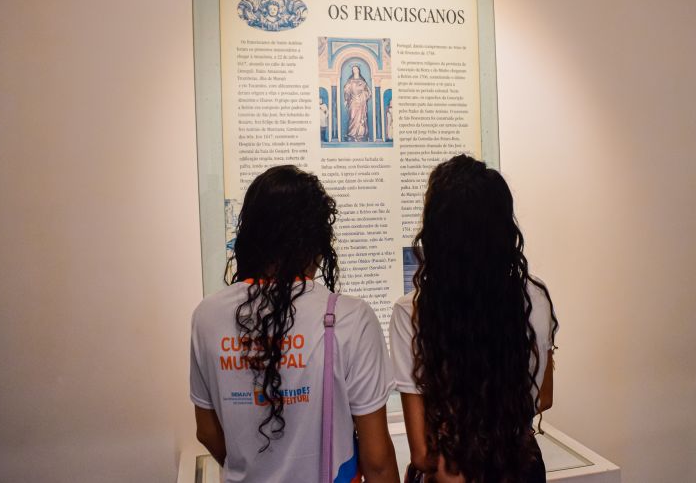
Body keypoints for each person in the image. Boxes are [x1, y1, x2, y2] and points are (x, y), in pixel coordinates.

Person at [190, 165, 399, 483]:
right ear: (317, 242)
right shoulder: (351, 318)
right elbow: (378, 461)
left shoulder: (207, 316)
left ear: (250, 236)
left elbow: (206, 431)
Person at [389, 155, 559, 483]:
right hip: (520, 466)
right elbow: (545, 397)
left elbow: (422, 453)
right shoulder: (535, 298)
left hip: (451, 471)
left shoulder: (411, 311)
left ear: (436, 232)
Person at [343, 65, 371, 141]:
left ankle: (361, 134)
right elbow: (346, 90)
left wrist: (363, 95)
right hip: (353, 101)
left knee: (361, 117)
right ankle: (352, 134)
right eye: (353, 69)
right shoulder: (350, 81)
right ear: (352, 71)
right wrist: (346, 99)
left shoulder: (362, 81)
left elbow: (368, 92)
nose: (355, 70)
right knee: (352, 116)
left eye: (356, 69)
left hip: (361, 102)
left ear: (358, 70)